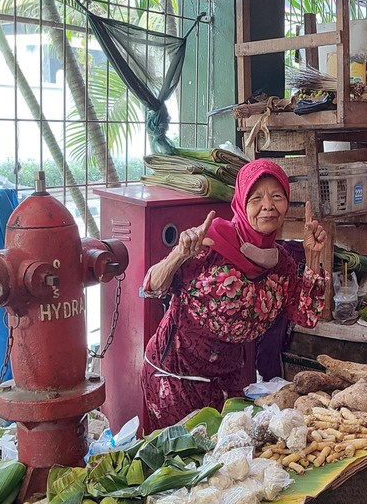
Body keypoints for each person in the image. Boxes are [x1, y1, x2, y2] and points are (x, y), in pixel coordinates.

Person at [140, 159, 329, 430]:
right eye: (256, 198)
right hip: (175, 377)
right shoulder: (208, 243)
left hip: (228, 383)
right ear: (241, 202)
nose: (268, 205)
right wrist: (179, 255)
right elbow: (150, 287)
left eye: (277, 196)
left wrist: (313, 257)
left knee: (233, 462)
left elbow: (308, 316)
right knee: (191, 465)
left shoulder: (282, 264)